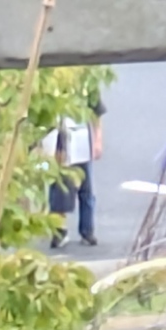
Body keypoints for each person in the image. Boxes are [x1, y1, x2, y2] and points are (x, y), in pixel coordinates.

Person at [45, 99, 103, 249]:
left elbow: (96, 112)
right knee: (59, 190)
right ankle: (59, 231)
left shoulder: (87, 84)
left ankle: (87, 230)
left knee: (86, 190)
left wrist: (97, 140)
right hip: (59, 144)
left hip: (82, 141)